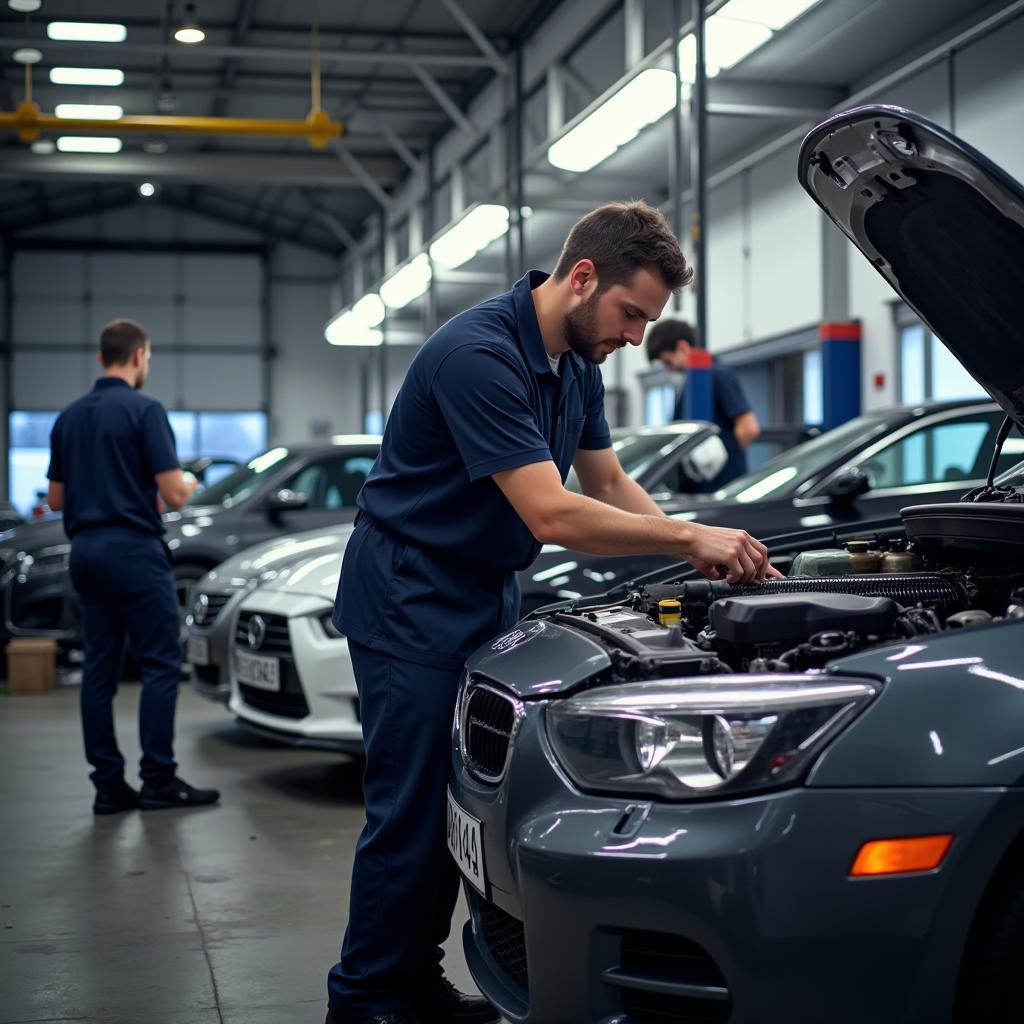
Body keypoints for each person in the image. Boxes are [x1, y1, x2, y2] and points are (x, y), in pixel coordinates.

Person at [325, 201, 778, 1024]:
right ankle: (362, 1000)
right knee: (409, 813)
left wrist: (696, 553)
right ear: (581, 278)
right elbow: (552, 512)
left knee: (457, 808)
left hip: (480, 591)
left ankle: (411, 981)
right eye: (631, 313)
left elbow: (606, 483)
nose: (639, 336)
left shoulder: (578, 365)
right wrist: (688, 537)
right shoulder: (479, 354)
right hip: (409, 595)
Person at [46, 318, 220, 816]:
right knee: (162, 663)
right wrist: (186, 478)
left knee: (98, 667)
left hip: (85, 553)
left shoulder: (69, 417)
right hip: (134, 552)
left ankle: (107, 786)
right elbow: (173, 491)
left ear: (103, 357)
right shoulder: (145, 410)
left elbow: (57, 497)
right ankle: (158, 780)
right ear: (140, 356)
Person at [646, 320, 760, 489]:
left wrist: (724, 463)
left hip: (719, 487)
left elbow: (749, 428)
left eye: (668, 362)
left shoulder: (718, 374)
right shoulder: (690, 384)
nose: (668, 370)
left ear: (683, 348)